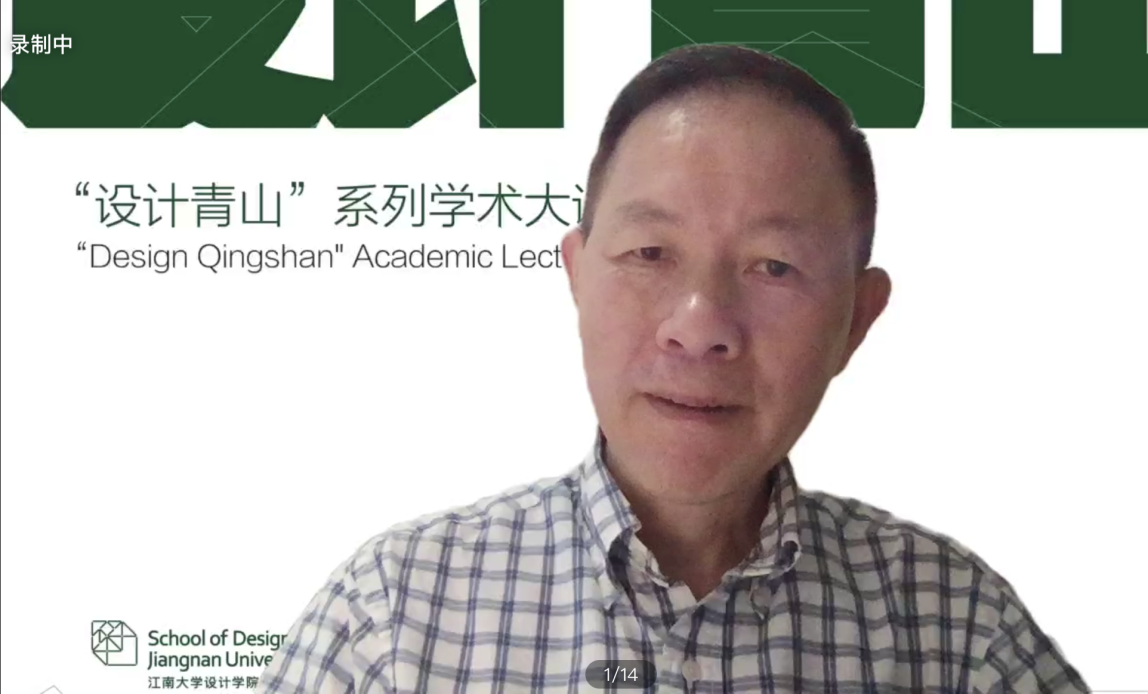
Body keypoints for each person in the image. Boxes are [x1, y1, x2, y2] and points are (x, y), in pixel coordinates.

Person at [256, 44, 1088, 693]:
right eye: (650, 252)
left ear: (857, 321)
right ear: (578, 277)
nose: (699, 327)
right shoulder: (392, 616)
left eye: (774, 266)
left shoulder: (955, 627)